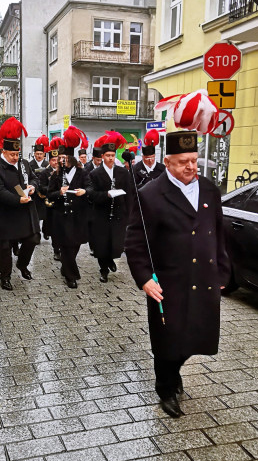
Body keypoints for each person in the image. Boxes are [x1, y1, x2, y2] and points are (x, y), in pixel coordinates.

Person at [125, 130, 230, 418]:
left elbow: (218, 233)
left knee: (197, 334)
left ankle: (173, 372)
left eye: (194, 160)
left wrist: (222, 270)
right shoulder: (150, 195)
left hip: (203, 278)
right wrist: (144, 277)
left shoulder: (209, 190)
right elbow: (135, 241)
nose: (191, 167)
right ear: (168, 161)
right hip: (168, 281)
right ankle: (166, 388)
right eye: (183, 161)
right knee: (168, 339)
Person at [0, 118, 39, 290]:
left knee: (33, 239)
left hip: (26, 211)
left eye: (17, 154)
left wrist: (32, 187)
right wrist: (17, 199)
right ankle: (5, 276)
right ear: (4, 152)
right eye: (12, 155)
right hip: (7, 214)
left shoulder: (23, 164)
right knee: (4, 247)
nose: (16, 158)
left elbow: (33, 178)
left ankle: (22, 265)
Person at [47, 126, 90, 289]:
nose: (62, 160)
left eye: (65, 157)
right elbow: (49, 193)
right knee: (65, 245)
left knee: (75, 244)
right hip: (61, 215)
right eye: (61, 157)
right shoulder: (56, 174)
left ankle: (66, 268)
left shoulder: (82, 172)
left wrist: (84, 191)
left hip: (78, 215)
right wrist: (59, 192)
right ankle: (71, 276)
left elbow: (90, 188)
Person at [89, 133, 131, 283]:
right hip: (101, 214)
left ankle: (110, 259)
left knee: (116, 243)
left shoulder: (122, 172)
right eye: (107, 155)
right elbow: (91, 194)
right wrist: (106, 194)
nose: (111, 158)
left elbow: (129, 192)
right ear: (102, 156)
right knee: (102, 243)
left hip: (119, 213)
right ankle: (103, 269)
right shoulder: (95, 174)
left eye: (113, 155)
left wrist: (129, 212)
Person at [39, 140, 61, 260]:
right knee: (53, 227)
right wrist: (50, 189)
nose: (55, 162)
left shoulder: (63, 172)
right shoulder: (44, 172)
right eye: (53, 160)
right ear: (50, 161)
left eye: (57, 160)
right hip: (50, 203)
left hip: (62, 203)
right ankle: (56, 249)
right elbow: (41, 187)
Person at [29, 135, 50, 239]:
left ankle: (46, 232)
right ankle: (36, 233)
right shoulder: (30, 164)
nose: (39, 156)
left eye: (41, 154)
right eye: (37, 154)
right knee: (35, 214)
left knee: (46, 214)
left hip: (45, 192)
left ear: (44, 154)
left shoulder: (47, 164)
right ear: (34, 154)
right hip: (35, 193)